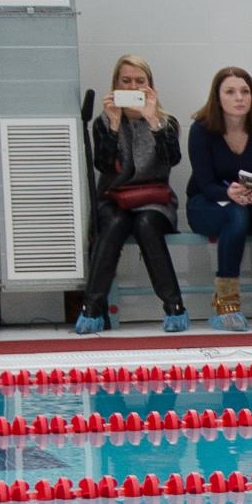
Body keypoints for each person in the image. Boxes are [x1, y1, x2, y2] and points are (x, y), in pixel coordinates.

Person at [75, 54, 186, 335]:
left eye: (140, 81)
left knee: (146, 225)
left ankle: (174, 306)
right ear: (116, 85)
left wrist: (153, 122)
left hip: (154, 198)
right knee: (112, 224)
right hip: (115, 197)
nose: (134, 87)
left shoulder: (166, 122)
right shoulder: (104, 122)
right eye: (126, 81)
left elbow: (172, 159)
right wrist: (113, 126)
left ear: (151, 86)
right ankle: (92, 307)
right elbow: (102, 164)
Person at [186, 66, 252, 332]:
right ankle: (226, 302)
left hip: (251, 202)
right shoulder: (201, 130)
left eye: (245, 91)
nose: (239, 98)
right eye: (230, 92)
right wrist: (228, 193)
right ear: (217, 96)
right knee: (237, 213)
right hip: (208, 202)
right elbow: (204, 182)